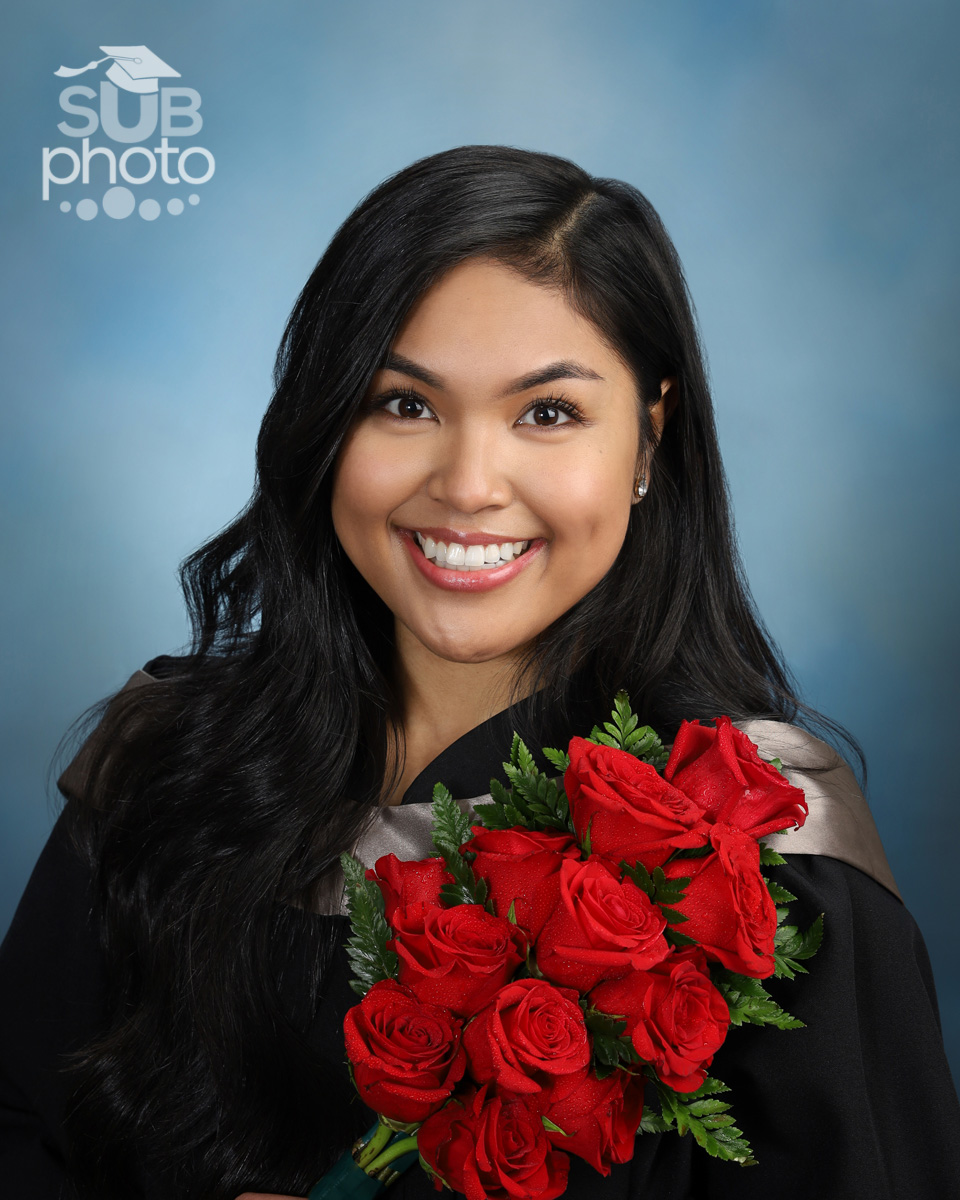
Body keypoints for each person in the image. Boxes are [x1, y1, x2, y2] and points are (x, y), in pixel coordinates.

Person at [1, 145, 957, 1200]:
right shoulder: (161, 770)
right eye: (403, 405)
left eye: (548, 414)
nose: (466, 486)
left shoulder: (765, 846)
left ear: (649, 436)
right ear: (326, 426)